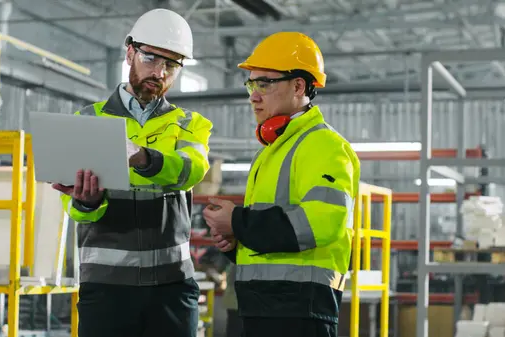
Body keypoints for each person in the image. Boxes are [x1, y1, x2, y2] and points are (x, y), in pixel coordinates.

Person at [51, 8, 212, 337]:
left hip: (171, 286)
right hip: (107, 289)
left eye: (171, 64)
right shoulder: (87, 120)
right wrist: (88, 201)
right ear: (129, 53)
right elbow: (72, 209)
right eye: (151, 58)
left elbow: (191, 170)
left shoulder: (188, 124)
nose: (160, 72)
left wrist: (141, 157)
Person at [202, 31, 360, 337]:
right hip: (262, 309)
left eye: (265, 83)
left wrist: (237, 219)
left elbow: (321, 223)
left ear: (299, 85)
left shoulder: (323, 145)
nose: (254, 95)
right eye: (251, 84)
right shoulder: (271, 152)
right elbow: (275, 237)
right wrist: (237, 241)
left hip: (299, 313)